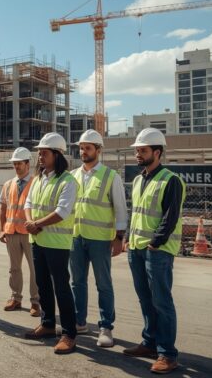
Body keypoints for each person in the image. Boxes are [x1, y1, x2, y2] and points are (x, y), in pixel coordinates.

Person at [122, 128, 185, 374]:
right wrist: (128, 238)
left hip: (157, 251)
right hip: (136, 248)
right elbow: (136, 213)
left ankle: (168, 354)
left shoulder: (171, 180)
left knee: (162, 301)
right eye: (137, 150)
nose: (138, 154)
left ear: (157, 152)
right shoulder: (139, 180)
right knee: (145, 298)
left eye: (143, 150)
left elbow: (170, 217)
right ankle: (149, 343)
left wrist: (155, 242)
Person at [70, 130, 128, 348]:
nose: (83, 151)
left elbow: (121, 210)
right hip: (76, 237)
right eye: (81, 147)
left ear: (98, 150)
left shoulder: (110, 176)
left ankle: (106, 327)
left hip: (101, 239)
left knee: (103, 284)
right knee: (77, 282)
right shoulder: (73, 175)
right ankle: (79, 322)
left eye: (88, 147)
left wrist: (119, 238)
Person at [22, 132, 79, 355]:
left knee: (61, 288)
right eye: (39, 153)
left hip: (57, 243)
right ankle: (47, 324)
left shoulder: (68, 181)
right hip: (37, 239)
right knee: (42, 285)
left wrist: (36, 223)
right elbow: (28, 202)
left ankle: (68, 333)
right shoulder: (38, 179)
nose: (39, 157)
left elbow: (62, 211)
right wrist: (29, 222)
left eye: (44, 153)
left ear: (57, 154)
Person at [0, 147, 41, 317]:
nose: (16, 166)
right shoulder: (8, 184)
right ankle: (15, 298)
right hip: (12, 232)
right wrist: (1, 230)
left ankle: (36, 302)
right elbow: (2, 208)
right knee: (14, 268)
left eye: (19, 163)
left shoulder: (37, 183)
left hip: (31, 233)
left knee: (34, 269)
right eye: (14, 164)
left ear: (28, 164)